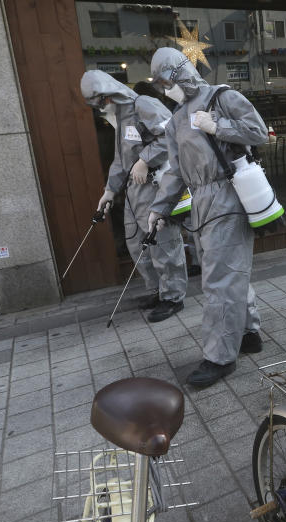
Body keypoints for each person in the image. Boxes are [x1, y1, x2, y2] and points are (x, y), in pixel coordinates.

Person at [147, 47, 268, 389]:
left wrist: (219, 126)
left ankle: (219, 356)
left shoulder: (221, 97)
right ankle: (247, 333)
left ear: (181, 72)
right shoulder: (174, 121)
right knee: (228, 273)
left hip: (228, 196)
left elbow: (258, 132)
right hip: (201, 203)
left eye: (166, 80)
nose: (164, 88)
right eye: (158, 84)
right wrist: (160, 207)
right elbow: (174, 171)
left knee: (219, 280)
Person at [80, 70, 187, 322]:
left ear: (110, 92)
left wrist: (145, 160)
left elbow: (172, 136)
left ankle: (173, 297)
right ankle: (157, 291)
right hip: (132, 191)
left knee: (163, 243)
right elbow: (121, 159)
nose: (102, 107)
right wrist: (109, 191)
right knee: (137, 242)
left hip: (154, 187)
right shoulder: (121, 116)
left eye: (102, 100)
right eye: (97, 104)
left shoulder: (144, 105)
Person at [134, 80, 202, 277]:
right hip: (182, 174)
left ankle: (200, 262)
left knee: (188, 221)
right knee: (190, 222)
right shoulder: (169, 110)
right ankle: (200, 261)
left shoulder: (157, 115)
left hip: (173, 176)